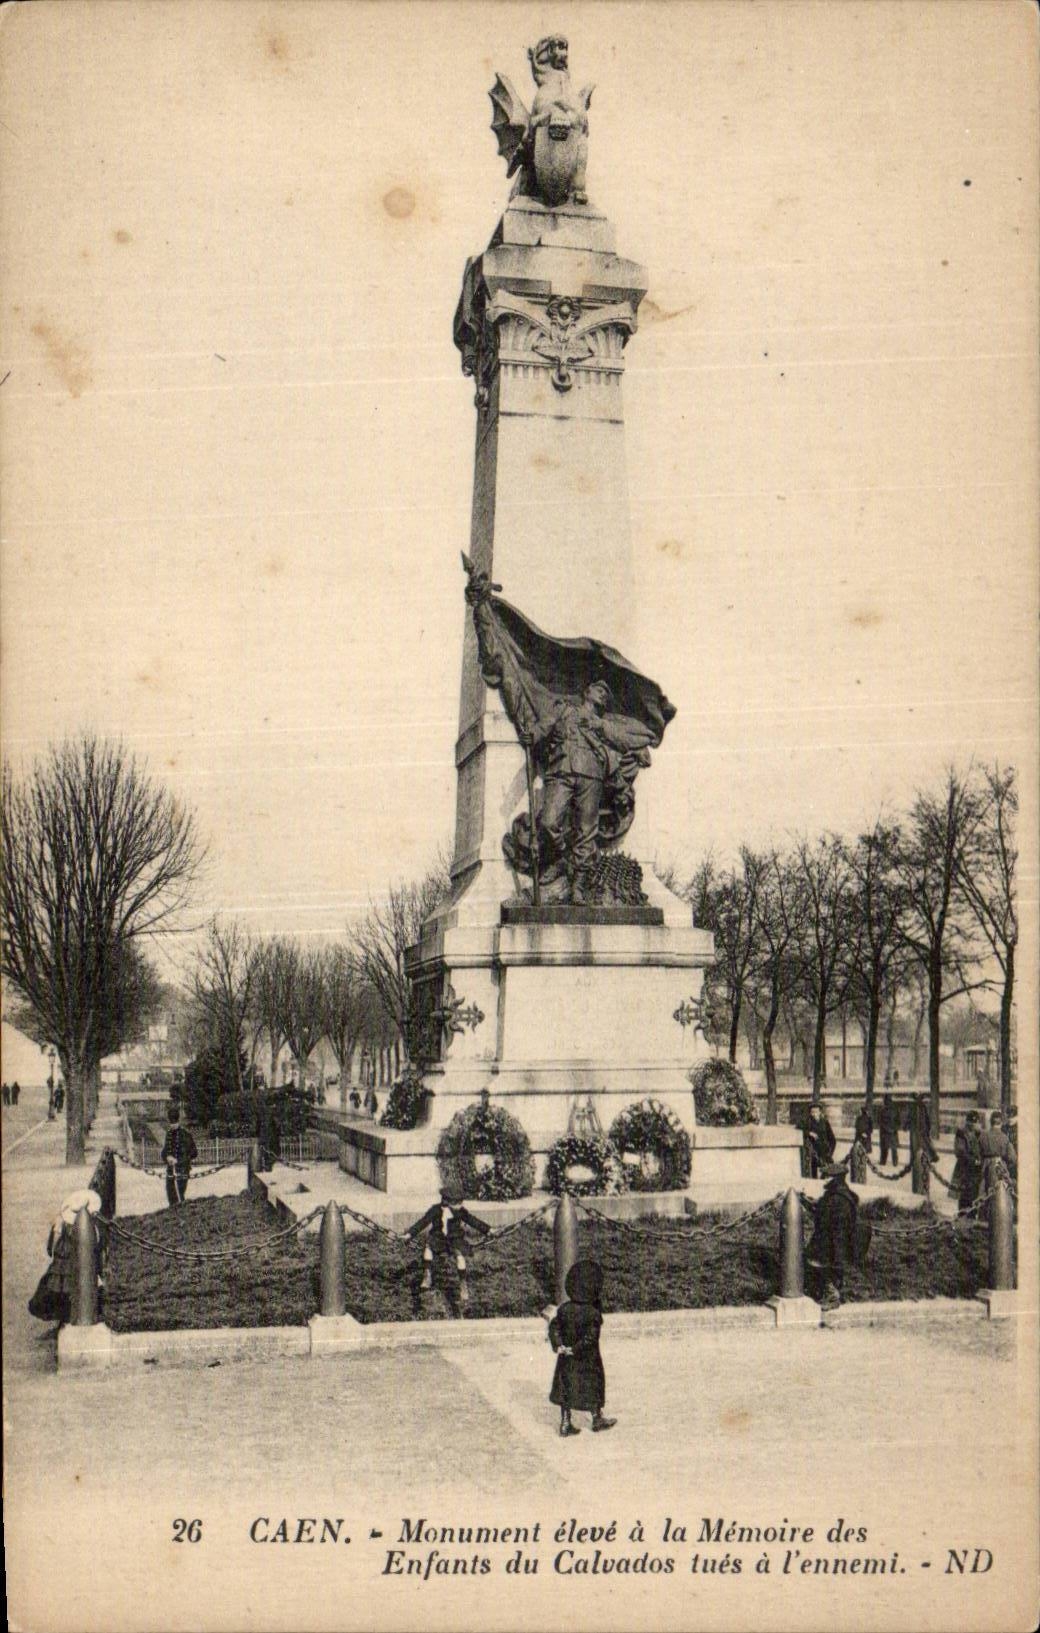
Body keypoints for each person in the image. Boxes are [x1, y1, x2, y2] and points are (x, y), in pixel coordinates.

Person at [549, 1259, 616, 1436]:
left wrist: (560, 1346)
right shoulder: (593, 1313)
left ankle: (565, 1423)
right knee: (593, 1385)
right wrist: (576, 1349)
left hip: (566, 1358)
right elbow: (591, 1338)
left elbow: (554, 1327)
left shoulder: (564, 1309)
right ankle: (596, 1418)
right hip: (587, 1358)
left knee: (566, 1388)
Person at [404, 1184, 491, 1309]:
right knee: (428, 1249)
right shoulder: (435, 1210)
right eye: (457, 1202)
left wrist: (488, 1230)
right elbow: (423, 1222)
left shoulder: (460, 1211)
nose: (461, 1205)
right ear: (446, 1201)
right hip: (438, 1238)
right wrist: (410, 1234)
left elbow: (473, 1221)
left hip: (455, 1239)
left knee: (460, 1256)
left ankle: (463, 1284)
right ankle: (427, 1274)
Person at [807, 1167, 867, 1308]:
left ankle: (832, 1298)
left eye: (827, 1177)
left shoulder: (837, 1199)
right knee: (825, 1267)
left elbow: (832, 1224)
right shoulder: (838, 1194)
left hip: (833, 1243)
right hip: (832, 1241)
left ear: (836, 1179)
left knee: (820, 1265)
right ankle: (828, 1292)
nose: (824, 1179)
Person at [160, 1104, 197, 1206]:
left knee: (181, 1196)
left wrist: (179, 1161)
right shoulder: (168, 1133)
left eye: (174, 1122)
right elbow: (164, 1151)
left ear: (178, 1121)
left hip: (182, 1170)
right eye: (171, 1122)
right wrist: (167, 1157)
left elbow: (194, 1153)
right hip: (171, 1171)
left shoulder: (185, 1134)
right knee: (171, 1198)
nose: (173, 1124)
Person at [952, 1111, 982, 1217]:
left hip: (976, 1169)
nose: (977, 1125)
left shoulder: (979, 1133)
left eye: (977, 1122)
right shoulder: (961, 1133)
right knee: (965, 1195)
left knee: (975, 1194)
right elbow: (960, 1152)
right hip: (965, 1169)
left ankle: (971, 1215)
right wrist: (974, 1161)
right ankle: (964, 1216)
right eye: (974, 1123)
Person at [976, 1110, 1017, 1189]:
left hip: (985, 1167)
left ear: (990, 1122)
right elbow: (1012, 1158)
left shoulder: (983, 1136)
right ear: (1001, 1123)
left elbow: (977, 1154)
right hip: (1000, 1167)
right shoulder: (1005, 1138)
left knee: (981, 1189)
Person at [909, 1095, 939, 1195]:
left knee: (919, 1148)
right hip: (919, 1131)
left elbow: (913, 1119)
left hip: (918, 1132)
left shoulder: (916, 1107)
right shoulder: (921, 1107)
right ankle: (920, 1160)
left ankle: (921, 1161)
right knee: (922, 1147)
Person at [804, 1104, 836, 1179]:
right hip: (813, 1152)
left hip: (824, 1151)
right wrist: (809, 1133)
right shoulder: (807, 1121)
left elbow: (832, 1139)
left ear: (820, 1112)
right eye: (812, 1112)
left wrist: (830, 1153)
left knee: (827, 1175)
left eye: (816, 1112)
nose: (814, 1114)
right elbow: (799, 1130)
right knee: (813, 1174)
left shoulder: (824, 1122)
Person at [878, 1093, 900, 1167]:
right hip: (890, 1132)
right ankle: (893, 1162)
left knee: (886, 1148)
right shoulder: (894, 1110)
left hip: (887, 1132)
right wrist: (893, 1129)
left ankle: (884, 1162)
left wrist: (889, 1129)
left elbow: (880, 1122)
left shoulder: (883, 1110)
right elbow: (898, 1122)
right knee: (891, 1149)